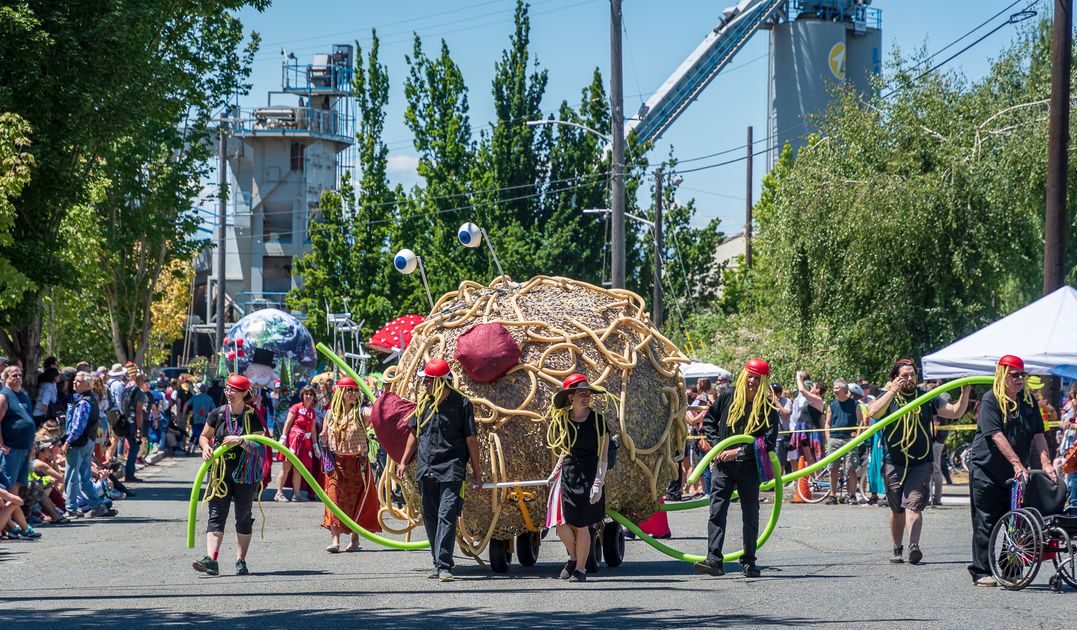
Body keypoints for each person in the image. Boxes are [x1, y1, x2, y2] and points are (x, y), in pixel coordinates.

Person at [867, 359, 970, 565]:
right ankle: (897, 549)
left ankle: (914, 546)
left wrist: (964, 393)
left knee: (914, 504)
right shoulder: (889, 398)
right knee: (897, 509)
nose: (909, 379)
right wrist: (891, 392)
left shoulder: (927, 398)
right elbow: (873, 412)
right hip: (894, 461)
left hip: (921, 462)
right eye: (904, 375)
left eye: (912, 375)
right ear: (895, 377)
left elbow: (955, 412)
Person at [966, 355, 1056, 587]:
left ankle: (1010, 568)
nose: (1019, 378)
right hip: (986, 470)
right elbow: (995, 434)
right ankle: (981, 571)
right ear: (1002, 375)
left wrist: (1046, 463)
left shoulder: (1028, 402)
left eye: (1022, 374)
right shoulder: (991, 400)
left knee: (1017, 521)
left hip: (1015, 476)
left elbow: (1038, 434)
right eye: (1014, 374)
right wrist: (1017, 462)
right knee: (985, 520)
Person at [396, 358, 482, 582]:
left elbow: (471, 439)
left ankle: (444, 565)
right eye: (424, 381)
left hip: (452, 467)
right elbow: (414, 434)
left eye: (428, 381)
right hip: (426, 467)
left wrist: (477, 471)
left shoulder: (462, 404)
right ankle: (437, 563)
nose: (425, 385)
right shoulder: (424, 404)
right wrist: (404, 461)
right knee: (431, 516)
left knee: (447, 515)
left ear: (441, 381)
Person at [694, 358, 780, 579]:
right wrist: (716, 446)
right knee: (716, 511)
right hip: (722, 466)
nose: (752, 381)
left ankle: (749, 561)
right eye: (750, 376)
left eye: (757, 378)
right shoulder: (727, 397)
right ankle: (714, 560)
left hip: (749, 467)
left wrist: (738, 452)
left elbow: (767, 442)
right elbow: (710, 420)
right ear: (744, 375)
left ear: (764, 381)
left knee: (750, 514)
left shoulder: (768, 407)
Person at [193, 374, 266, 577]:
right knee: (216, 513)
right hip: (220, 471)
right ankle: (211, 560)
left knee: (243, 516)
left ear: (244, 394)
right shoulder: (217, 413)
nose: (229, 393)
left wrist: (241, 441)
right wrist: (206, 447)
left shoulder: (252, 415)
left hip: (245, 473)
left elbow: (261, 445)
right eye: (227, 389)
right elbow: (204, 436)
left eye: (234, 390)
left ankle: (240, 561)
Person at [544, 373, 611, 583]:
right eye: (581, 393)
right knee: (560, 523)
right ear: (570, 397)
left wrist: (599, 482)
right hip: (567, 474)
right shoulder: (563, 420)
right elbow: (562, 449)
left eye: (588, 393)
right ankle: (573, 557)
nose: (586, 396)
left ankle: (580, 569)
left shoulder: (598, 421)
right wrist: (555, 471)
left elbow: (604, 455)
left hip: (589, 475)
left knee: (582, 525)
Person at [319, 376, 381, 553]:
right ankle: (335, 540)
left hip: (357, 464)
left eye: (355, 390)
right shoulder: (330, 414)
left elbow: (378, 411)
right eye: (349, 390)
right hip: (335, 463)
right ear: (340, 392)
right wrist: (323, 440)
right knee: (333, 500)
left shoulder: (362, 413)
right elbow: (324, 437)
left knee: (357, 500)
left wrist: (378, 394)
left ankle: (355, 540)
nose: (353, 393)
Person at [63, 371, 117, 519]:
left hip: (79, 443)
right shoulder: (90, 398)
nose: (75, 383)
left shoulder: (84, 402)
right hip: (88, 442)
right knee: (84, 476)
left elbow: (78, 426)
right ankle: (97, 506)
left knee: (71, 476)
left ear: (88, 384)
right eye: (75, 380)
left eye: (79, 381)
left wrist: (68, 442)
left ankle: (71, 508)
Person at [823, 379, 865, 504]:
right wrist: (828, 437)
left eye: (837, 387)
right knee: (833, 468)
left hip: (849, 439)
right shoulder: (832, 405)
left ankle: (851, 495)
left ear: (844, 389)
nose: (834, 388)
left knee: (851, 468)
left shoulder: (854, 404)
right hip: (834, 439)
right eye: (834, 386)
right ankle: (832, 495)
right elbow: (827, 423)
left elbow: (861, 421)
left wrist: (857, 437)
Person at [274, 386, 318, 502]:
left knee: (298, 469)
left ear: (314, 397)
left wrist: (315, 445)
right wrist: (283, 438)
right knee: (286, 467)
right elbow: (287, 424)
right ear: (302, 395)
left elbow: (313, 431)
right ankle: (279, 493)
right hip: (293, 441)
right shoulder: (295, 408)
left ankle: (296, 494)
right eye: (306, 394)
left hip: (304, 443)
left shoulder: (312, 412)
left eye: (311, 394)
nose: (308, 396)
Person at [0, 365, 36, 497]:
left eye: (20, 375)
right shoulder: (4, 396)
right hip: (11, 448)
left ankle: (11, 516)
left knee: (19, 483)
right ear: (6, 378)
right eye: (14, 375)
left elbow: (29, 420)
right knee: (7, 482)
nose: (18, 377)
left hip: (25, 446)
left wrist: (32, 444)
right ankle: (5, 516)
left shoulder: (23, 395)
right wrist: (2, 444)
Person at [789, 371, 824, 465]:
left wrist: (798, 378)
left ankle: (817, 477)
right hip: (804, 430)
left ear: (818, 390)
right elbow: (804, 390)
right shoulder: (811, 398)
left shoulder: (818, 400)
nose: (811, 387)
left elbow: (802, 390)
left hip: (811, 431)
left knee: (813, 458)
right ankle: (812, 478)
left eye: (813, 386)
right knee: (807, 457)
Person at [1058, 383, 1077, 507]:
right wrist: (1073, 411)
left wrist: (1073, 425)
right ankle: (1072, 504)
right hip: (1070, 447)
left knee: (1073, 477)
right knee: (1071, 476)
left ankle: (1073, 503)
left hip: (1074, 446)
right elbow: (1064, 424)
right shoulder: (1069, 406)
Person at [187, 384, 215, 455]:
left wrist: (184, 413)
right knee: (199, 434)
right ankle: (193, 450)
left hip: (194, 418)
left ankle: (189, 449)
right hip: (203, 419)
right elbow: (214, 409)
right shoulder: (209, 399)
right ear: (206, 390)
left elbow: (187, 404)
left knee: (194, 434)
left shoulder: (194, 397)